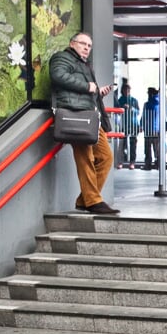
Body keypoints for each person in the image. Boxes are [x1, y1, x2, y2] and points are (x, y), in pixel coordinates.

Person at [49, 31, 119, 215]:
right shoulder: (62, 58)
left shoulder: (84, 64)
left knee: (105, 157)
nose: (87, 48)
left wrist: (97, 92)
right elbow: (58, 76)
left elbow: (85, 90)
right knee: (85, 157)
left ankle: (84, 200)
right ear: (72, 43)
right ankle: (94, 201)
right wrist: (87, 86)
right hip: (75, 115)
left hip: (90, 116)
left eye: (89, 46)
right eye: (83, 44)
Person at [115, 84, 139, 170]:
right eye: (125, 90)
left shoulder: (134, 100)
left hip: (133, 125)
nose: (127, 92)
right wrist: (122, 108)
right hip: (123, 124)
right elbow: (116, 110)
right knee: (122, 145)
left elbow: (138, 111)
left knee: (133, 144)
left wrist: (131, 109)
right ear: (122, 91)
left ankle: (132, 162)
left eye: (128, 90)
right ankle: (120, 162)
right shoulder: (120, 100)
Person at [142, 87, 160, 170]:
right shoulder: (159, 103)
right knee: (157, 148)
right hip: (156, 129)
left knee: (148, 148)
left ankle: (148, 164)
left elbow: (144, 116)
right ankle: (158, 164)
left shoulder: (147, 104)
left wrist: (141, 125)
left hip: (148, 128)